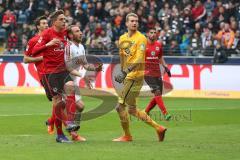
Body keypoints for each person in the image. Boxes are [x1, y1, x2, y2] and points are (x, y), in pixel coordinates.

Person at [113, 13, 167, 142]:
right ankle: (158, 128)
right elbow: (122, 56)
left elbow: (138, 59)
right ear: (126, 23)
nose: (134, 23)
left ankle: (127, 135)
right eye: (131, 21)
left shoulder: (141, 38)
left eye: (136, 21)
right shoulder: (122, 38)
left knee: (120, 107)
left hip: (135, 76)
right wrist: (122, 71)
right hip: (128, 76)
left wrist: (125, 72)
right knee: (132, 109)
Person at [32, 10, 79, 143]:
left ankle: (70, 121)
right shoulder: (47, 34)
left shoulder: (65, 32)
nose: (64, 22)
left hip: (63, 70)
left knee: (71, 87)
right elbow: (35, 51)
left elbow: (75, 35)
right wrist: (48, 44)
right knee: (58, 102)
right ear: (55, 22)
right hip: (50, 72)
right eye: (62, 19)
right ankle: (59, 135)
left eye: (65, 19)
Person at [23, 16, 60, 135]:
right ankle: (54, 123)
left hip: (56, 71)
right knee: (57, 99)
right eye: (43, 23)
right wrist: (42, 58)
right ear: (38, 26)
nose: (46, 25)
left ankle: (52, 121)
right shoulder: (33, 41)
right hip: (45, 73)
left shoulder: (51, 37)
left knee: (59, 99)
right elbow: (25, 59)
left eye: (46, 23)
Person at [64, 25, 103, 141]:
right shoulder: (68, 47)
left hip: (73, 81)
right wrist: (83, 76)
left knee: (79, 107)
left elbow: (85, 65)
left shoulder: (81, 47)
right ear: (70, 35)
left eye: (80, 30)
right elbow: (68, 67)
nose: (81, 33)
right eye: (77, 31)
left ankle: (59, 124)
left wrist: (95, 68)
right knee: (79, 106)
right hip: (65, 80)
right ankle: (73, 133)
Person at [144, 28, 171, 121]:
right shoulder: (142, 46)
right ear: (147, 34)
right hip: (147, 73)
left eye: (155, 33)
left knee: (158, 96)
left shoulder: (158, 45)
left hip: (157, 72)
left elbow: (160, 57)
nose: (153, 34)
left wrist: (166, 67)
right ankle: (165, 113)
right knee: (157, 93)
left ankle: (145, 112)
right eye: (151, 32)